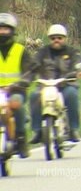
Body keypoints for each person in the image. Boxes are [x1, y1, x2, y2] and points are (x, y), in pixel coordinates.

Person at [30, 24, 81, 144]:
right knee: (34, 96)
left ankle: (73, 129)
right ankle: (37, 131)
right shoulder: (42, 52)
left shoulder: (71, 52)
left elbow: (79, 61)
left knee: (72, 94)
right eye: (53, 38)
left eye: (59, 38)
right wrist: (30, 71)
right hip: (46, 86)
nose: (56, 40)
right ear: (49, 39)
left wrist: (77, 70)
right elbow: (33, 63)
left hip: (65, 85)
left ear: (64, 39)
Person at [0, 13, 33, 158]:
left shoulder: (21, 50)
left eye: (6, 29)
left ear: (12, 31)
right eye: (0, 29)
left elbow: (29, 71)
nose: (2, 32)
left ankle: (21, 139)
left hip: (16, 91)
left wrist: (22, 82)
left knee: (16, 103)